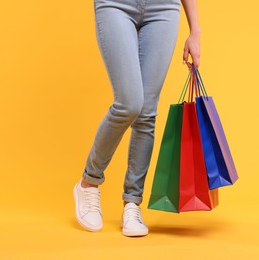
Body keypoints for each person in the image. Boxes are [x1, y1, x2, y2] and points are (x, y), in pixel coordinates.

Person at [73, 0, 201, 237]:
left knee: (146, 113)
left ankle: (132, 203)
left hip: (163, 8)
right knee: (129, 104)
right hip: (116, 4)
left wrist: (195, 30)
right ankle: (89, 182)